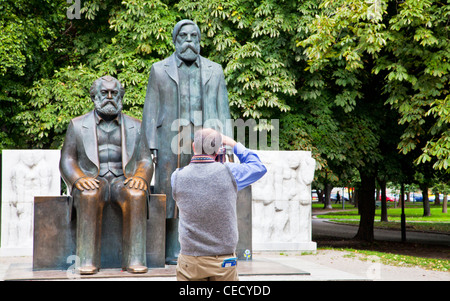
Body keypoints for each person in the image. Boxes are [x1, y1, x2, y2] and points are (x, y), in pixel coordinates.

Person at [140, 19, 233, 263]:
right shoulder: (159, 70)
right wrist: (150, 147)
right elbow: (150, 110)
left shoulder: (215, 70)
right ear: (174, 40)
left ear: (200, 41)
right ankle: (172, 247)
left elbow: (223, 109)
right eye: (184, 36)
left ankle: (206, 246)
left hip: (208, 140)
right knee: (170, 194)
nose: (189, 41)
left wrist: (229, 144)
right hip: (170, 139)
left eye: (194, 36)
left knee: (208, 192)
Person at [60, 75, 153, 274]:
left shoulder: (136, 126)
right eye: (104, 93)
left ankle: (135, 259)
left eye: (114, 93)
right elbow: (67, 160)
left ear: (121, 97)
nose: (109, 97)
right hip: (93, 179)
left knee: (136, 194)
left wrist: (141, 177)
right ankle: (86, 260)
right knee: (89, 194)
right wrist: (78, 179)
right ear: (94, 96)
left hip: (123, 179)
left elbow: (145, 160)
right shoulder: (77, 125)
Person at [171, 128, 267, 281]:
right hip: (223, 260)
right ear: (218, 150)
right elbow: (258, 167)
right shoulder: (230, 173)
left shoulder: (177, 176)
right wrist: (233, 143)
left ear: (194, 146)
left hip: (190, 259)